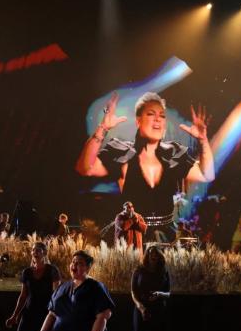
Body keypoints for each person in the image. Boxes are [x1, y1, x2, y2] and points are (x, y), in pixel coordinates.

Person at [76, 91, 215, 244]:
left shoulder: (174, 153)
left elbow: (206, 174)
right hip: (132, 237)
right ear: (138, 121)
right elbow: (85, 168)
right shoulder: (123, 152)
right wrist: (103, 127)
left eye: (162, 116)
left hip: (167, 238)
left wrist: (203, 140)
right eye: (151, 114)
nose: (158, 119)